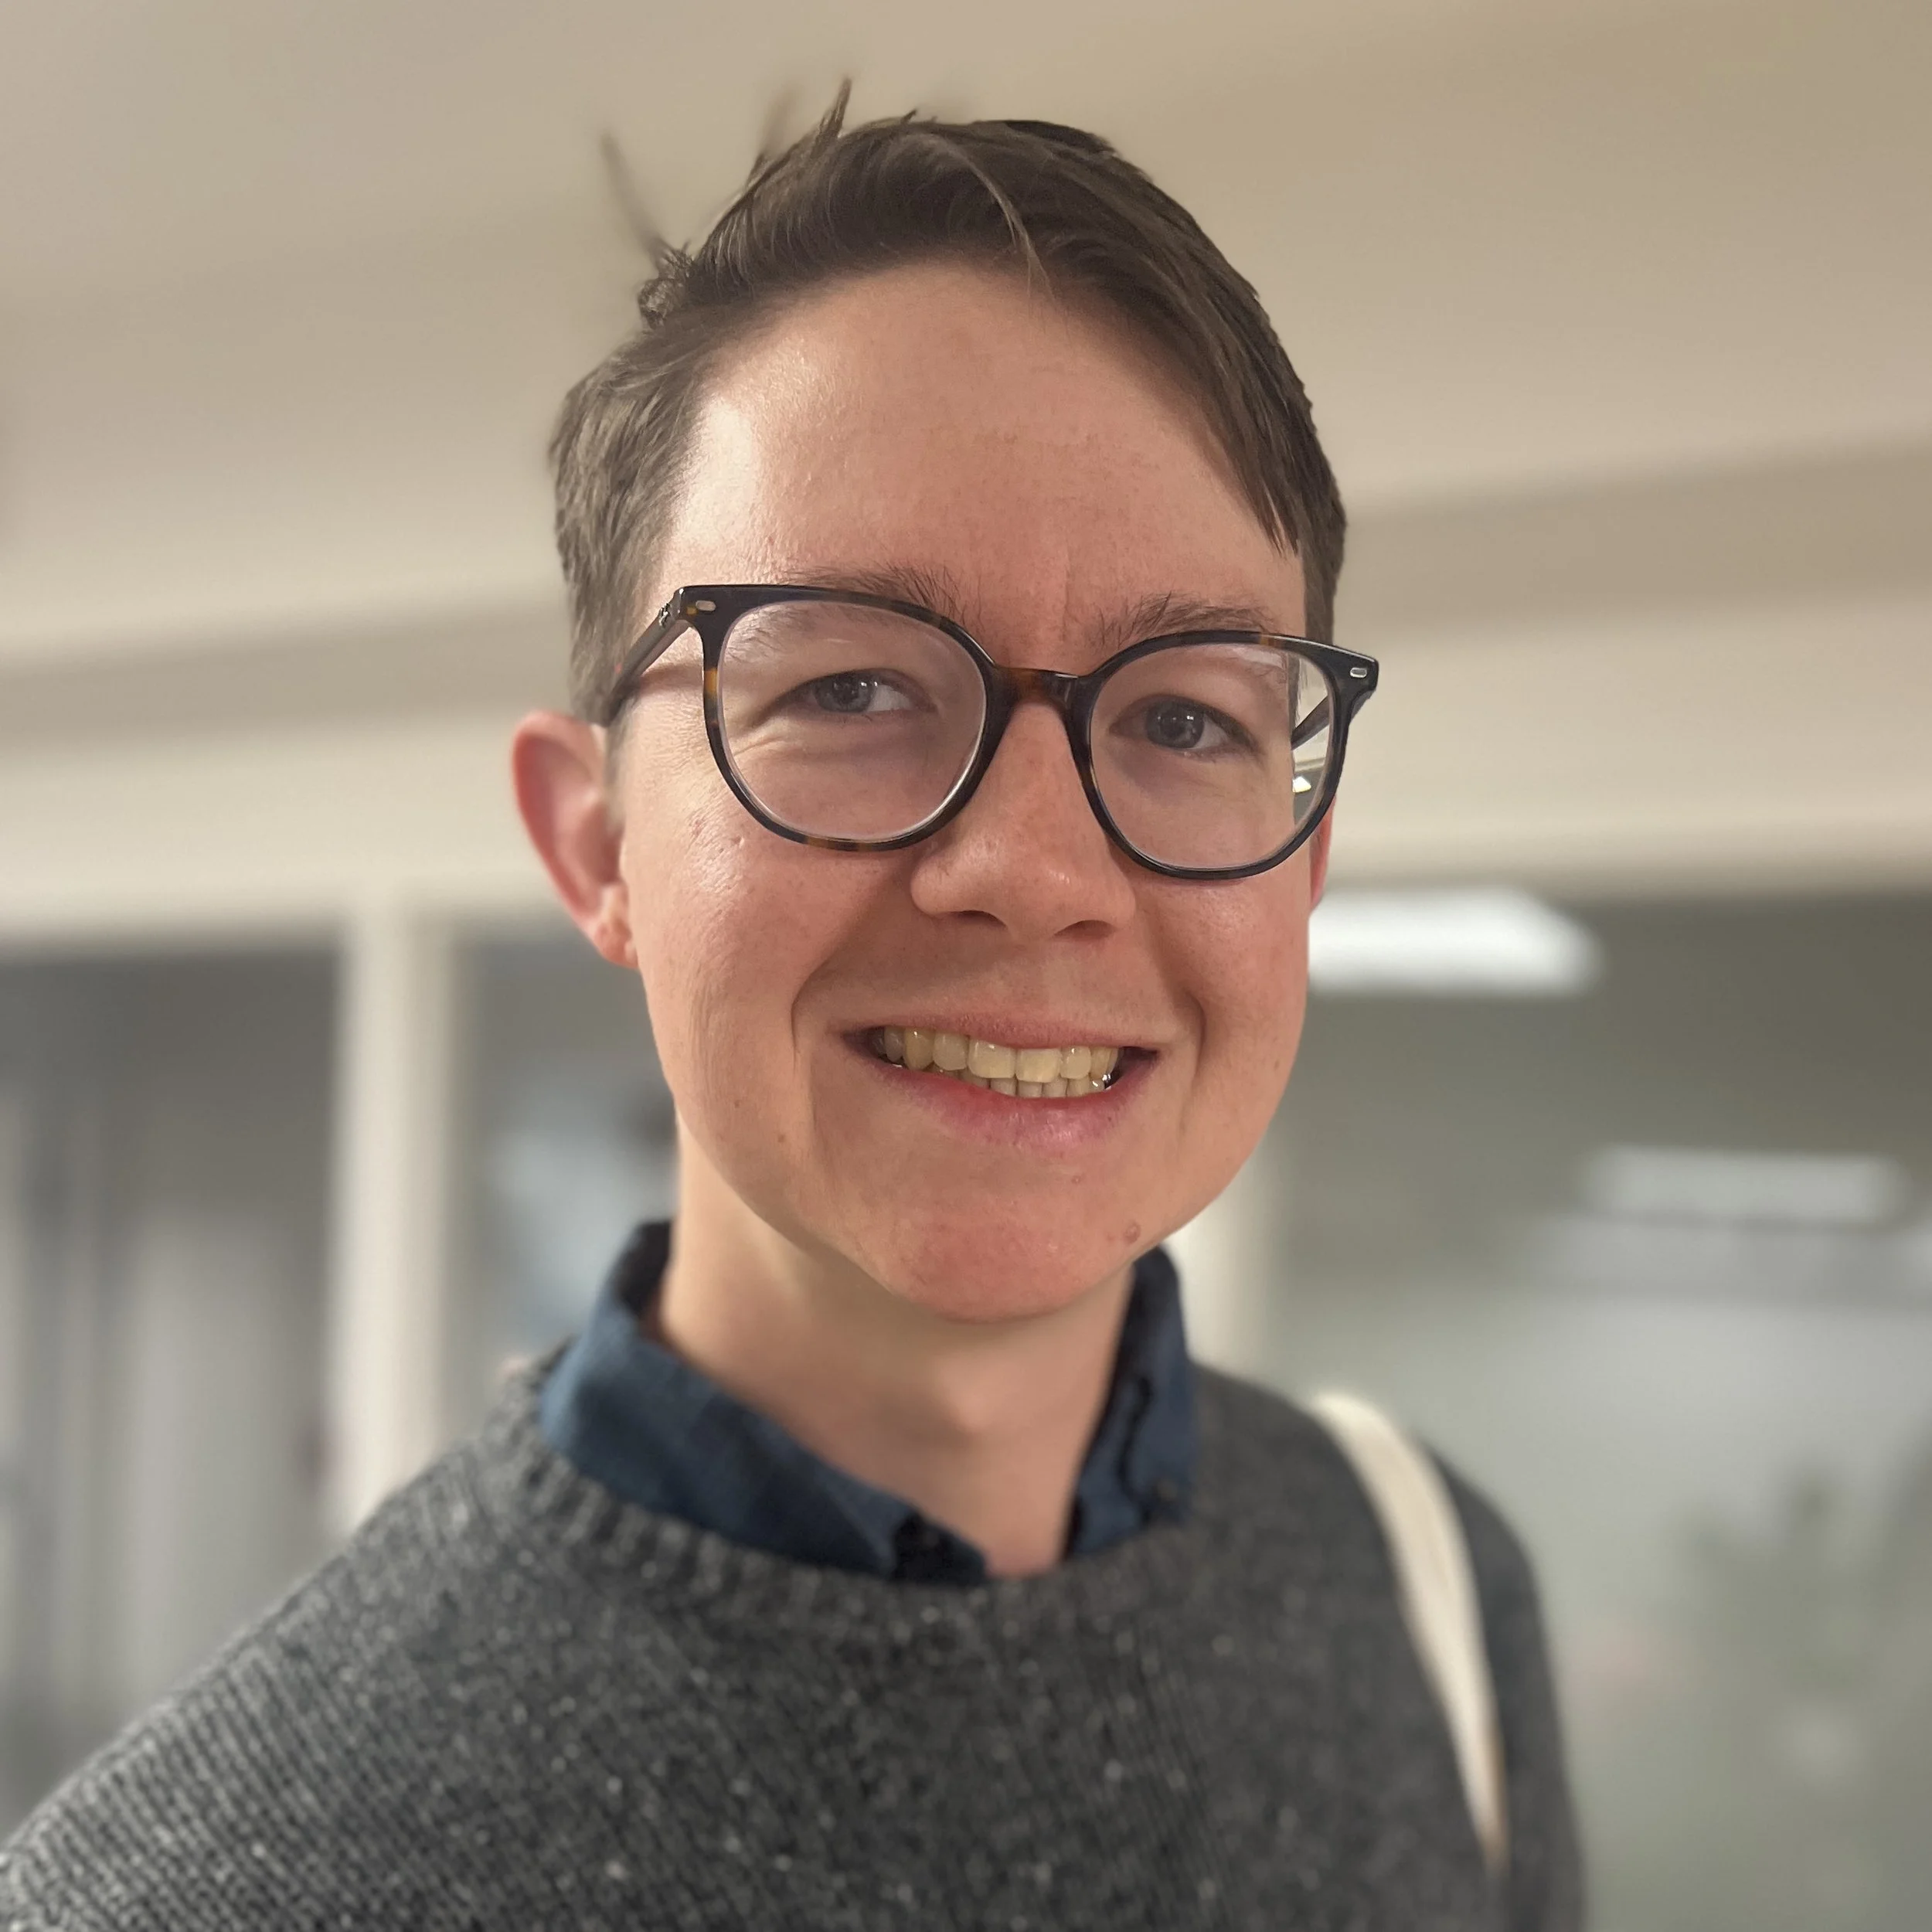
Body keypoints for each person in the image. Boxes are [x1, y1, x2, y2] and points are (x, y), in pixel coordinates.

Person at [0, 103, 1583, 1929]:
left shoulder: (1425, 1586)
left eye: (1182, 720)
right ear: (592, 843)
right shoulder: (195, 1890)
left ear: (1297, 869)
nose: (1036, 867)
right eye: (847, 680)